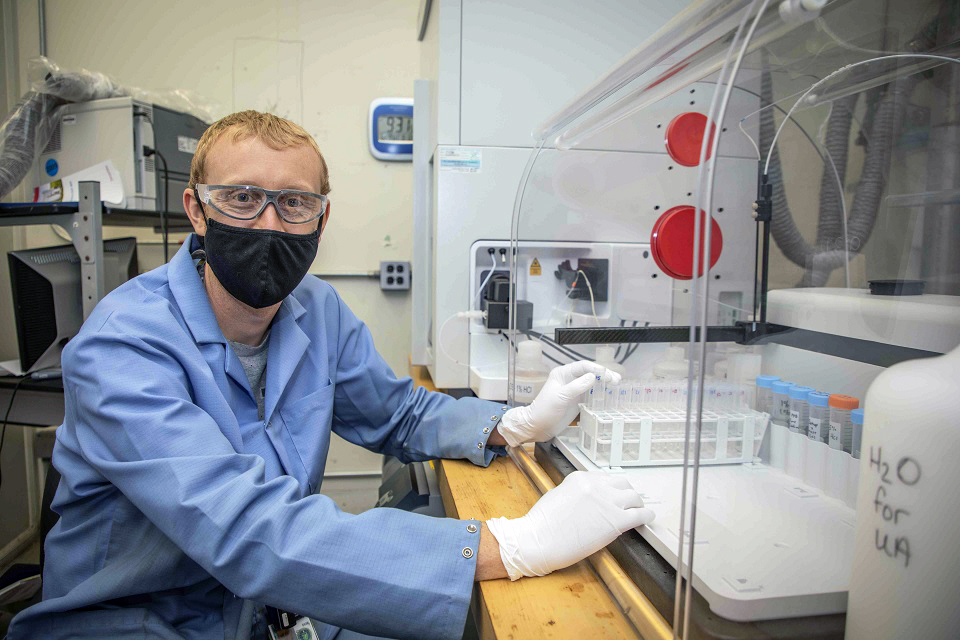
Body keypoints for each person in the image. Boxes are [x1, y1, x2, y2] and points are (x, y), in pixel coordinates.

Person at [7, 111, 653, 640]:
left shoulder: (316, 311)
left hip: (257, 612)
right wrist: (513, 543)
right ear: (197, 211)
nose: (268, 223)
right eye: (241, 198)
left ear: (321, 218)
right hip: (137, 624)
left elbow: (395, 411)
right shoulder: (123, 345)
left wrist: (508, 425)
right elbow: (248, 530)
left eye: (293, 203)